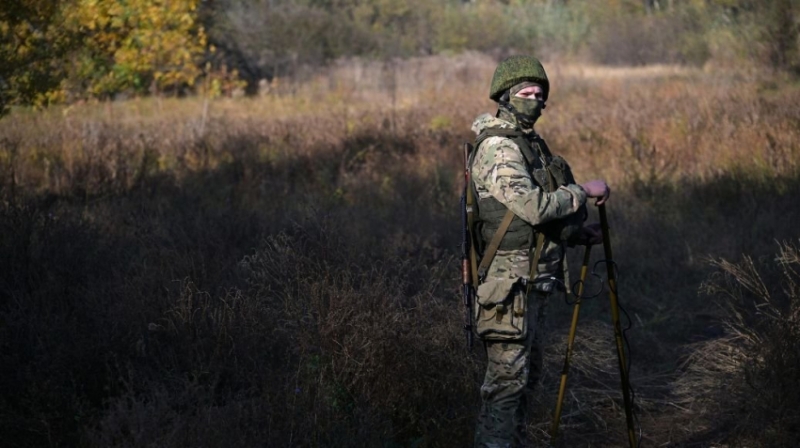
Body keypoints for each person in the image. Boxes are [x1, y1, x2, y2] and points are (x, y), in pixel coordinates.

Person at [469, 55, 610, 448]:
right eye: (526, 93)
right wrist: (584, 190)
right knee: (505, 387)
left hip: (533, 282)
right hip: (508, 287)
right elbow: (532, 206)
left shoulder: (531, 145)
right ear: (505, 96)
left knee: (527, 380)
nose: (535, 100)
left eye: (540, 93)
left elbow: (533, 221)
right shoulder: (499, 147)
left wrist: (576, 233)